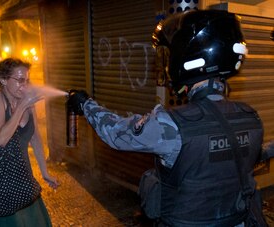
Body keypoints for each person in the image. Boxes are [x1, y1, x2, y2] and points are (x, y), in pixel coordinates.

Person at [67, 10, 268, 226]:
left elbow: (115, 133)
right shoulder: (250, 117)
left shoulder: (174, 124)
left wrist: (85, 104)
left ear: (187, 57)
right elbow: (249, 155)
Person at [0, 58, 59, 226]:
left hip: (23, 180)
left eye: (26, 80)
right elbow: (1, 139)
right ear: (3, 79)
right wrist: (23, 105)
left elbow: (35, 138)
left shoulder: (27, 103)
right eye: (19, 80)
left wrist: (45, 173)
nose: (24, 85)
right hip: (1, 185)